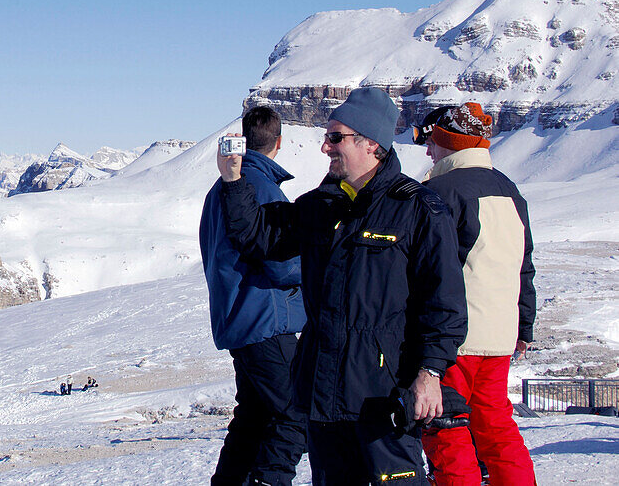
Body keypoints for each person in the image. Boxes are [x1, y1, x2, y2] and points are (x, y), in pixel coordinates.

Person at [218, 87, 467, 485]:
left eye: (335, 137)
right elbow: (260, 238)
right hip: (324, 396)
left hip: (382, 396)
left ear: (371, 144)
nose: (324, 147)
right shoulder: (320, 205)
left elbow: (445, 304)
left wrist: (430, 373)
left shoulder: (418, 209)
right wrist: (233, 180)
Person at [418, 103, 537, 485]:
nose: (427, 151)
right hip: (499, 337)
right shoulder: (509, 189)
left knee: (447, 427)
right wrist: (523, 325)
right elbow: (524, 263)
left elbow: (427, 270)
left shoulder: (438, 192)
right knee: (496, 427)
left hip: (455, 338)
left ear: (446, 142)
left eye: (432, 142)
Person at [200, 105, 307, 486]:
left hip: (238, 319)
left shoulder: (221, 188)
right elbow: (281, 261)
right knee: (295, 413)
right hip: (267, 320)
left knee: (255, 414)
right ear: (279, 142)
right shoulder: (264, 189)